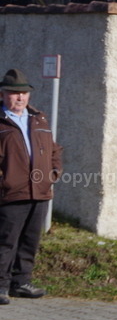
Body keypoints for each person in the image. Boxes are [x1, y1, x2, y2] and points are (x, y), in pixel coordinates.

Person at [0, 69, 62, 305]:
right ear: (3, 94)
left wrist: (52, 173)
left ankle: (21, 283)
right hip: (11, 193)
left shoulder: (39, 119)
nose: (19, 98)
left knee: (30, 240)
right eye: (14, 94)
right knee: (6, 241)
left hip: (40, 191)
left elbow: (54, 149)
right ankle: (1, 286)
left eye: (23, 94)